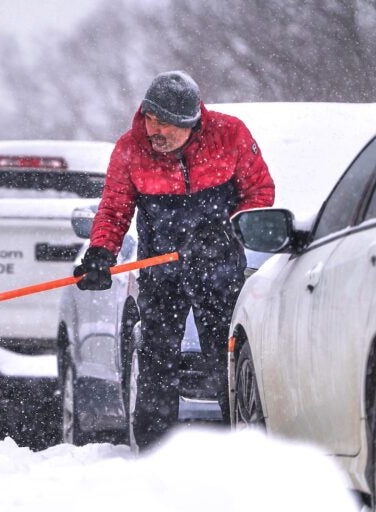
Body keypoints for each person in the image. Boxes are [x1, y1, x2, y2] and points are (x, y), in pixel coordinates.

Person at [74, 70, 275, 450]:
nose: (154, 131)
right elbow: (115, 209)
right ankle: (153, 454)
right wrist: (100, 253)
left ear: (191, 124)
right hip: (160, 270)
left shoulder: (230, 135)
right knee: (156, 364)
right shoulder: (130, 150)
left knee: (225, 361)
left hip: (219, 268)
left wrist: (228, 231)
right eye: (151, 119)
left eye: (165, 124)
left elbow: (259, 191)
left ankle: (244, 451)